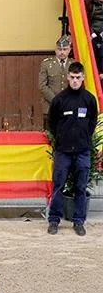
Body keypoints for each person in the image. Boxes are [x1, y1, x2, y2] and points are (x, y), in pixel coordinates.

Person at [47, 61, 97, 236]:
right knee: (58, 186)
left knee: (80, 187)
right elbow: (51, 124)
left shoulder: (89, 99)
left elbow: (92, 123)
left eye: (78, 77)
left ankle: (78, 221)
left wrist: (82, 138)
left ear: (83, 78)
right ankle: (54, 220)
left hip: (82, 151)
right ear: (68, 77)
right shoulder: (59, 100)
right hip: (63, 152)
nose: (75, 80)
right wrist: (61, 139)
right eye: (72, 77)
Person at [39, 36, 75, 129]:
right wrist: (56, 100)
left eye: (65, 49)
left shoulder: (74, 64)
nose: (62, 52)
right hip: (50, 106)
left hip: (69, 106)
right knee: (50, 136)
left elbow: (77, 85)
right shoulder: (46, 64)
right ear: (55, 50)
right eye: (59, 49)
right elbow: (42, 86)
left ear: (69, 50)